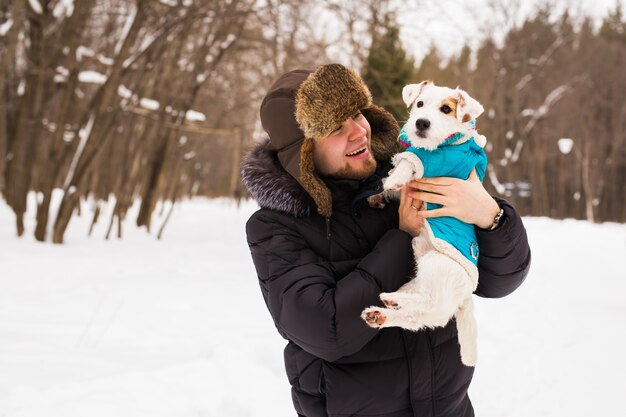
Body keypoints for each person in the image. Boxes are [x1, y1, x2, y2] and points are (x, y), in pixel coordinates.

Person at [242, 64, 531, 417]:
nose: (358, 132)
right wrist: (402, 237)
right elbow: (327, 330)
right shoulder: (276, 227)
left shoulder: (402, 175)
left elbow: (498, 282)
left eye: (356, 114)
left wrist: (490, 216)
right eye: (336, 127)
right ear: (303, 152)